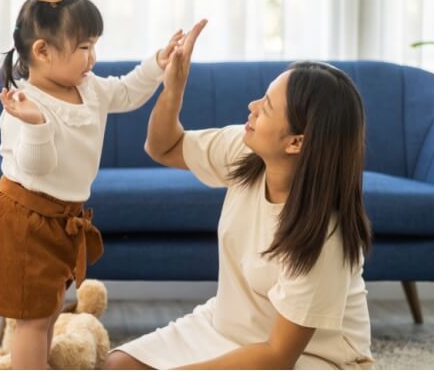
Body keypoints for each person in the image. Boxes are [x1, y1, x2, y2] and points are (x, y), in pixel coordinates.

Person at [106, 23, 374, 369]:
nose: (252, 105)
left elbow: (278, 355)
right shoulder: (244, 152)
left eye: (267, 106)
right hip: (227, 326)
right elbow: (163, 147)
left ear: (297, 142)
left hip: (310, 357)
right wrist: (174, 87)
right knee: (119, 365)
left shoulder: (324, 235)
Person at [0, 0, 198, 369]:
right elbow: (36, 166)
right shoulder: (23, 105)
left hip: (62, 218)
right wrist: (36, 124)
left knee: (48, 312)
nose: (92, 57)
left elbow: (128, 92)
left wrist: (158, 63)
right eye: (83, 47)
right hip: (22, 220)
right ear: (42, 51)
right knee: (31, 320)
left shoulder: (89, 87)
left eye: (94, 45)